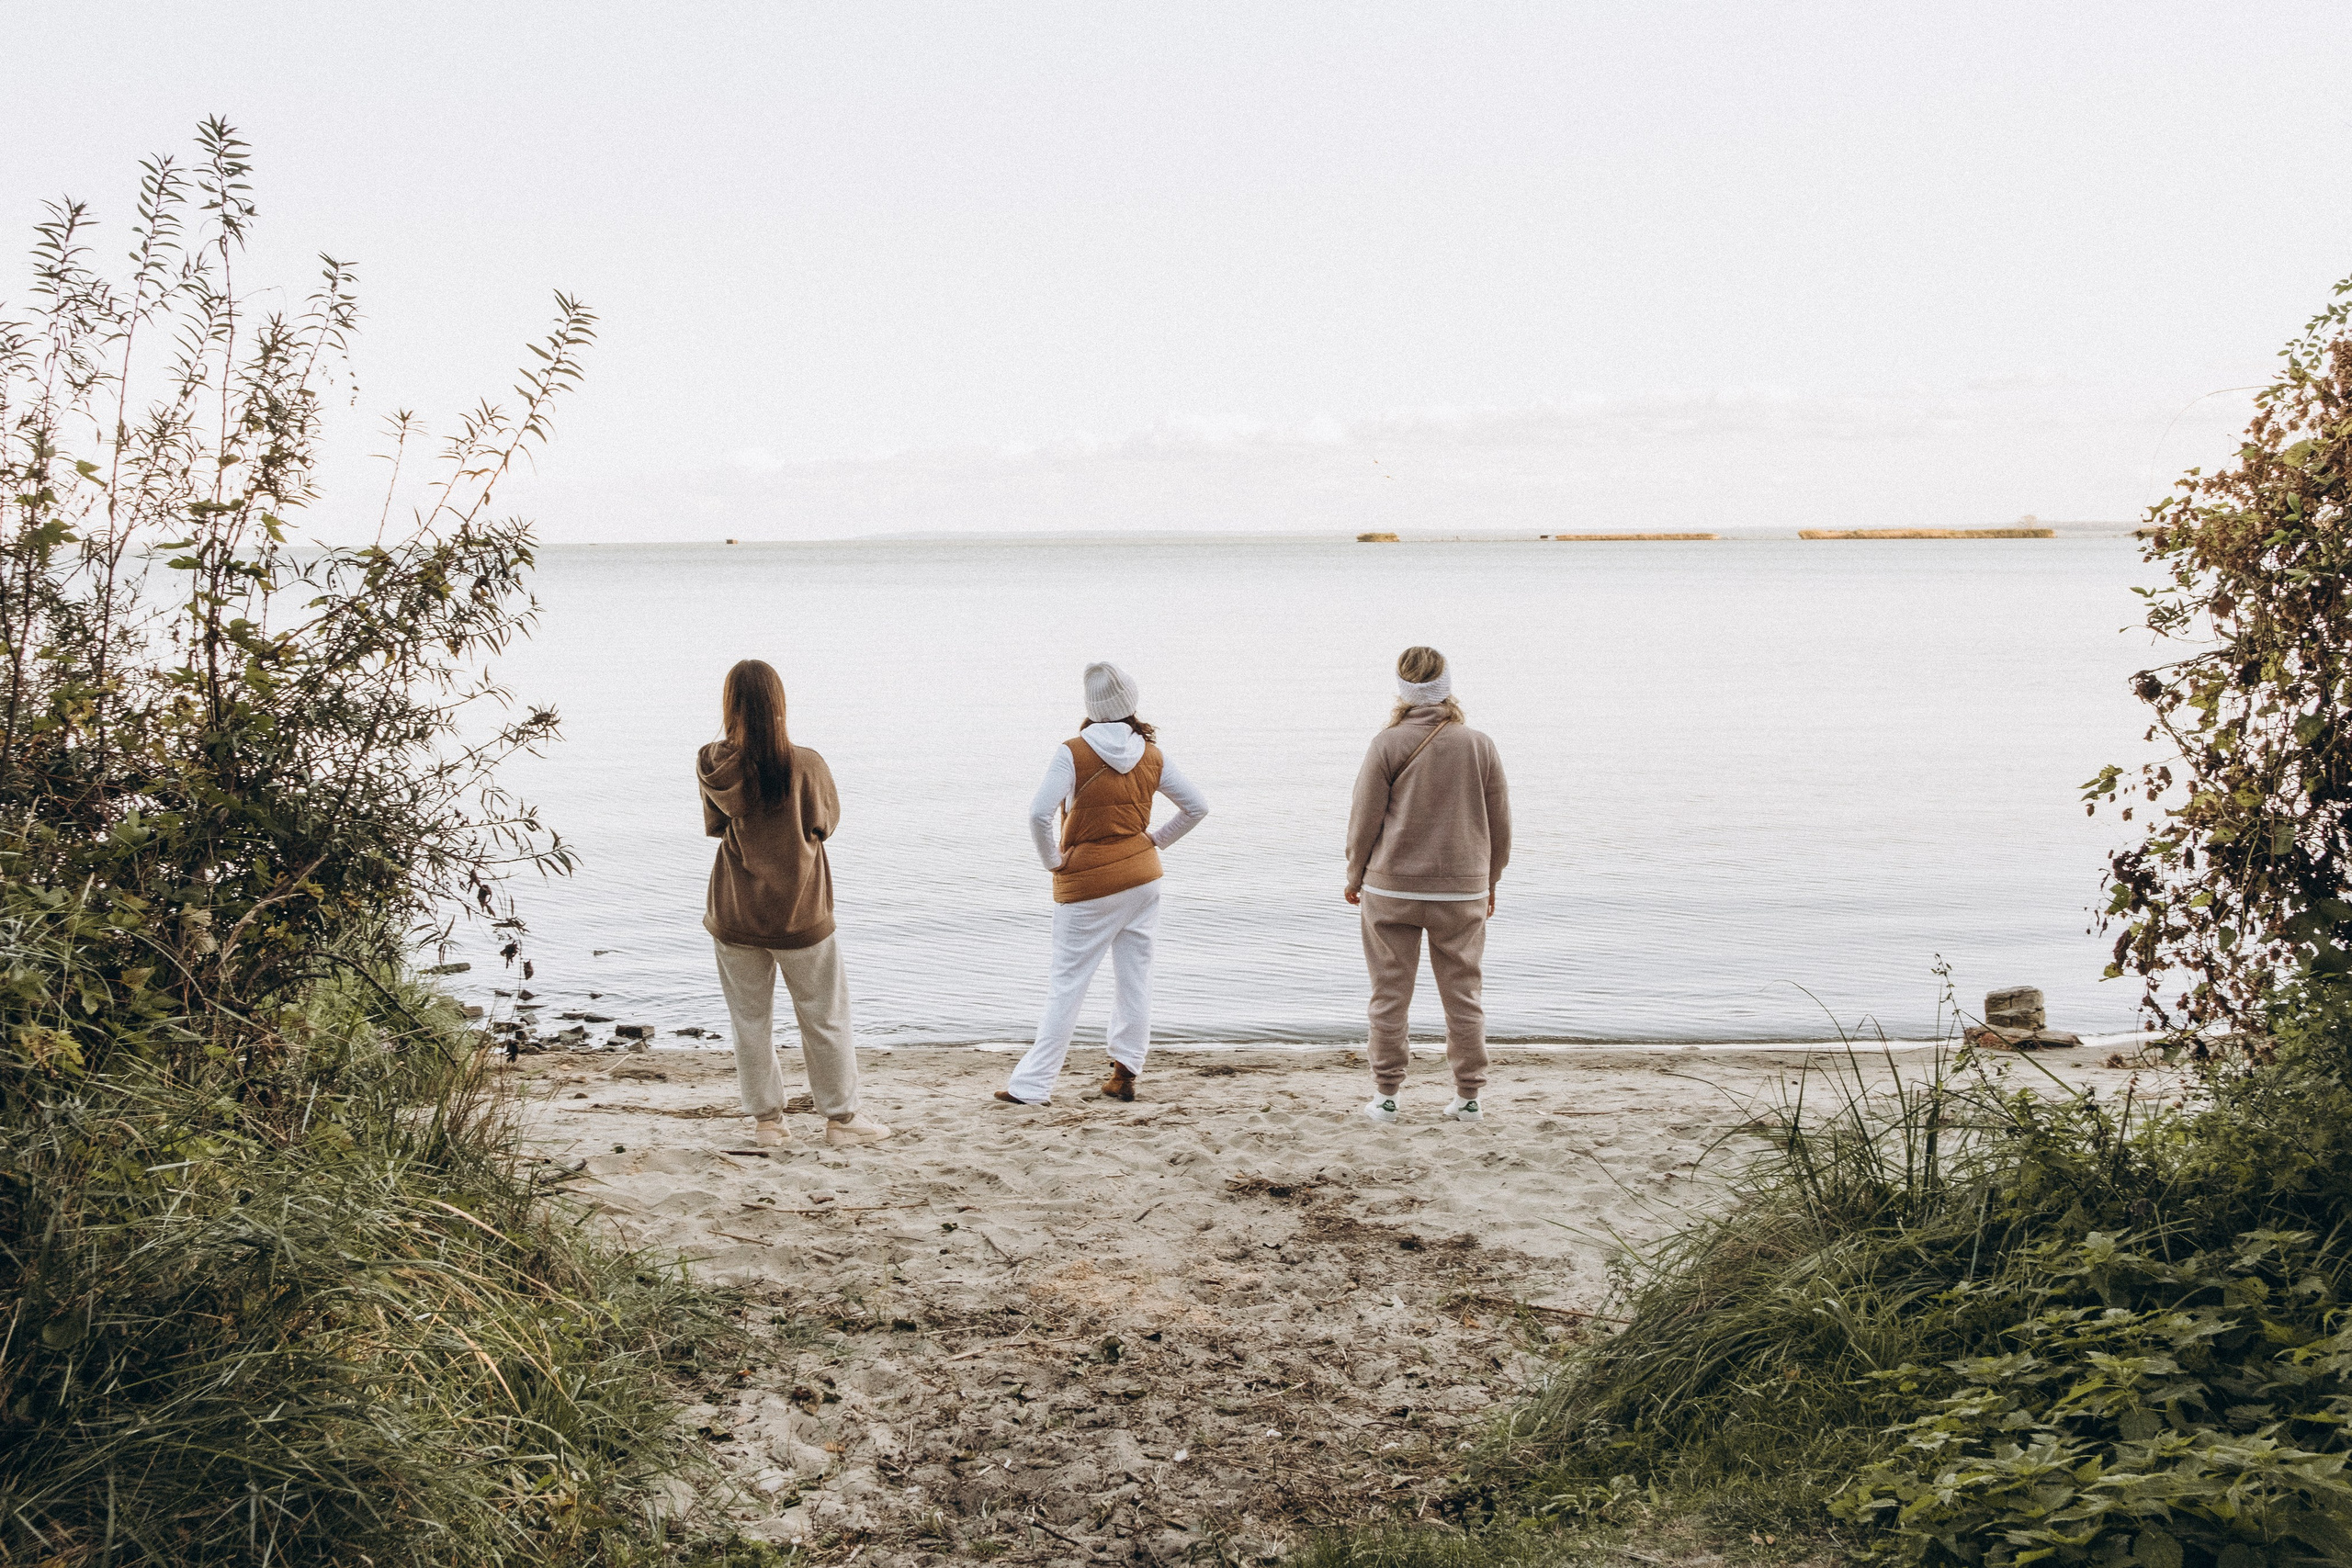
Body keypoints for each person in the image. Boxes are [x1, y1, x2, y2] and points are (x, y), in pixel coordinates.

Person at [699, 659, 892, 1149]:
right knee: (824, 1017)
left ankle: (767, 1123)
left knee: (749, 1021)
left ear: (730, 704)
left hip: (735, 910)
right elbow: (825, 823)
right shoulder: (806, 763)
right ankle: (842, 1121)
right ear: (778, 703)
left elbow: (717, 827)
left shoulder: (711, 762)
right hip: (802, 911)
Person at [996, 661, 1209, 1106]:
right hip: (1143, 877)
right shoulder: (1152, 752)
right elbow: (1197, 807)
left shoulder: (1073, 751)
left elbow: (1038, 814)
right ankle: (1125, 1074)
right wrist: (1154, 840)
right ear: (1131, 702)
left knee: (1067, 983)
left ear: (1090, 706)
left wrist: (1054, 861)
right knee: (1135, 978)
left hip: (1089, 884)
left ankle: (1033, 1087)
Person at [1342, 646, 1510, 1124]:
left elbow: (1364, 821)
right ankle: (1469, 1097)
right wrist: (1491, 880)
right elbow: (1500, 824)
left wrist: (1355, 874)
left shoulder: (1387, 744)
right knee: (1463, 994)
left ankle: (1386, 1097)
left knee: (1389, 994)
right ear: (1447, 684)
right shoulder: (1479, 744)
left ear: (1403, 690)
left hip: (1391, 889)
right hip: (1462, 891)